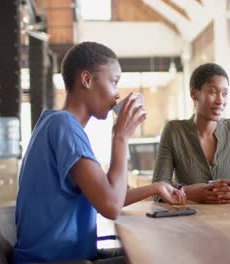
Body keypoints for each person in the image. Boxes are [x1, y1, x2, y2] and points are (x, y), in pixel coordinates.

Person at [14, 42, 186, 263]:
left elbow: (105, 194)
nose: (116, 95)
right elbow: (111, 207)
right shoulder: (64, 126)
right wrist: (121, 138)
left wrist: (156, 187)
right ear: (86, 79)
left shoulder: (52, 122)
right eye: (114, 82)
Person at [152, 63, 230, 203]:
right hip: (189, 219)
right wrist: (187, 193)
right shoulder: (174, 131)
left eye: (225, 93)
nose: (220, 100)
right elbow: (157, 189)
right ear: (194, 94)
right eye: (213, 92)